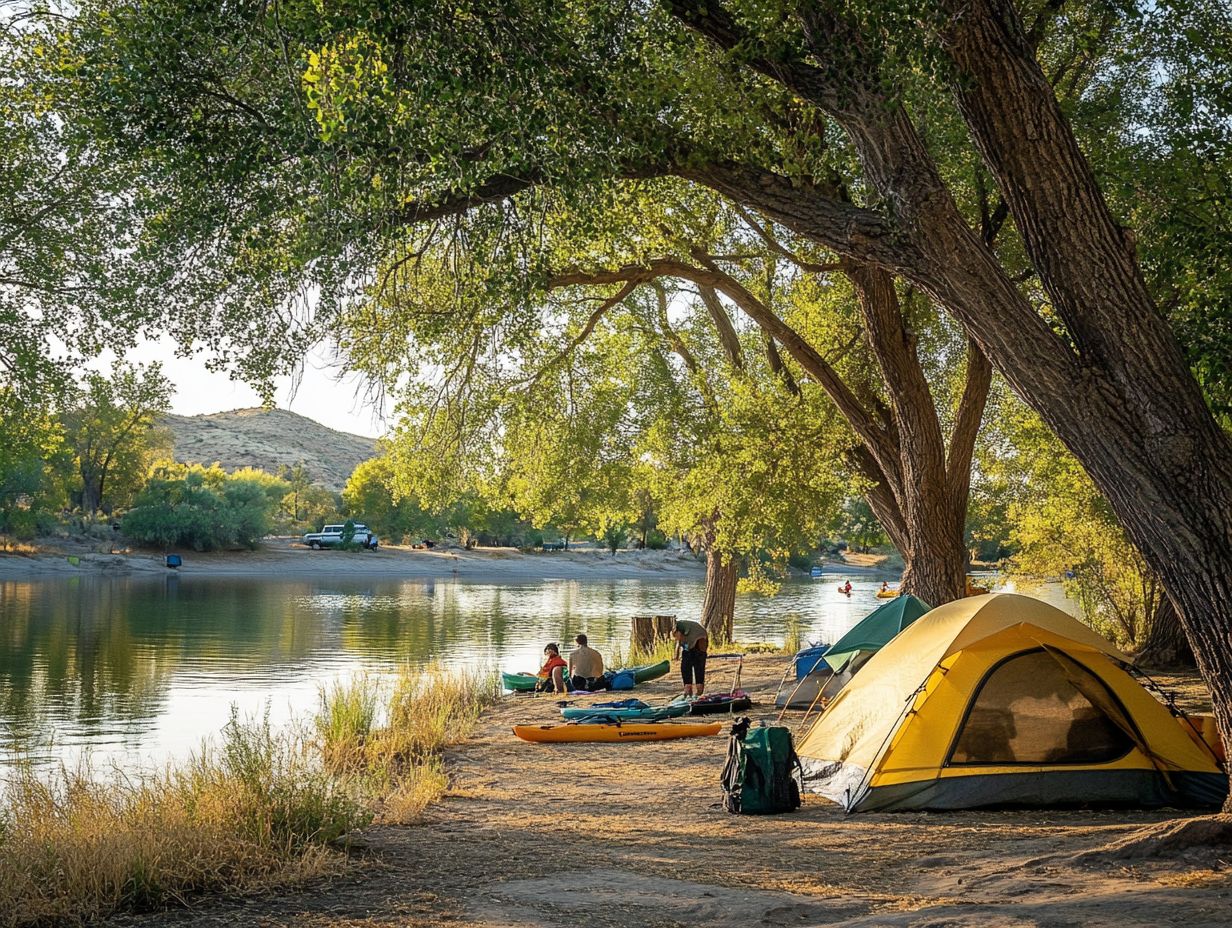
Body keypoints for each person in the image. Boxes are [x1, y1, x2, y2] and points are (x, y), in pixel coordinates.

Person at [671, 619, 709, 697]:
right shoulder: (681, 629)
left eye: (676, 636)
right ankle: (689, 690)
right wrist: (676, 655)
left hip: (700, 644)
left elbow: (687, 646)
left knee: (697, 668)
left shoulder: (690, 635)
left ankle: (697, 692)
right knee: (689, 668)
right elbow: (679, 643)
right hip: (699, 643)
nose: (676, 639)